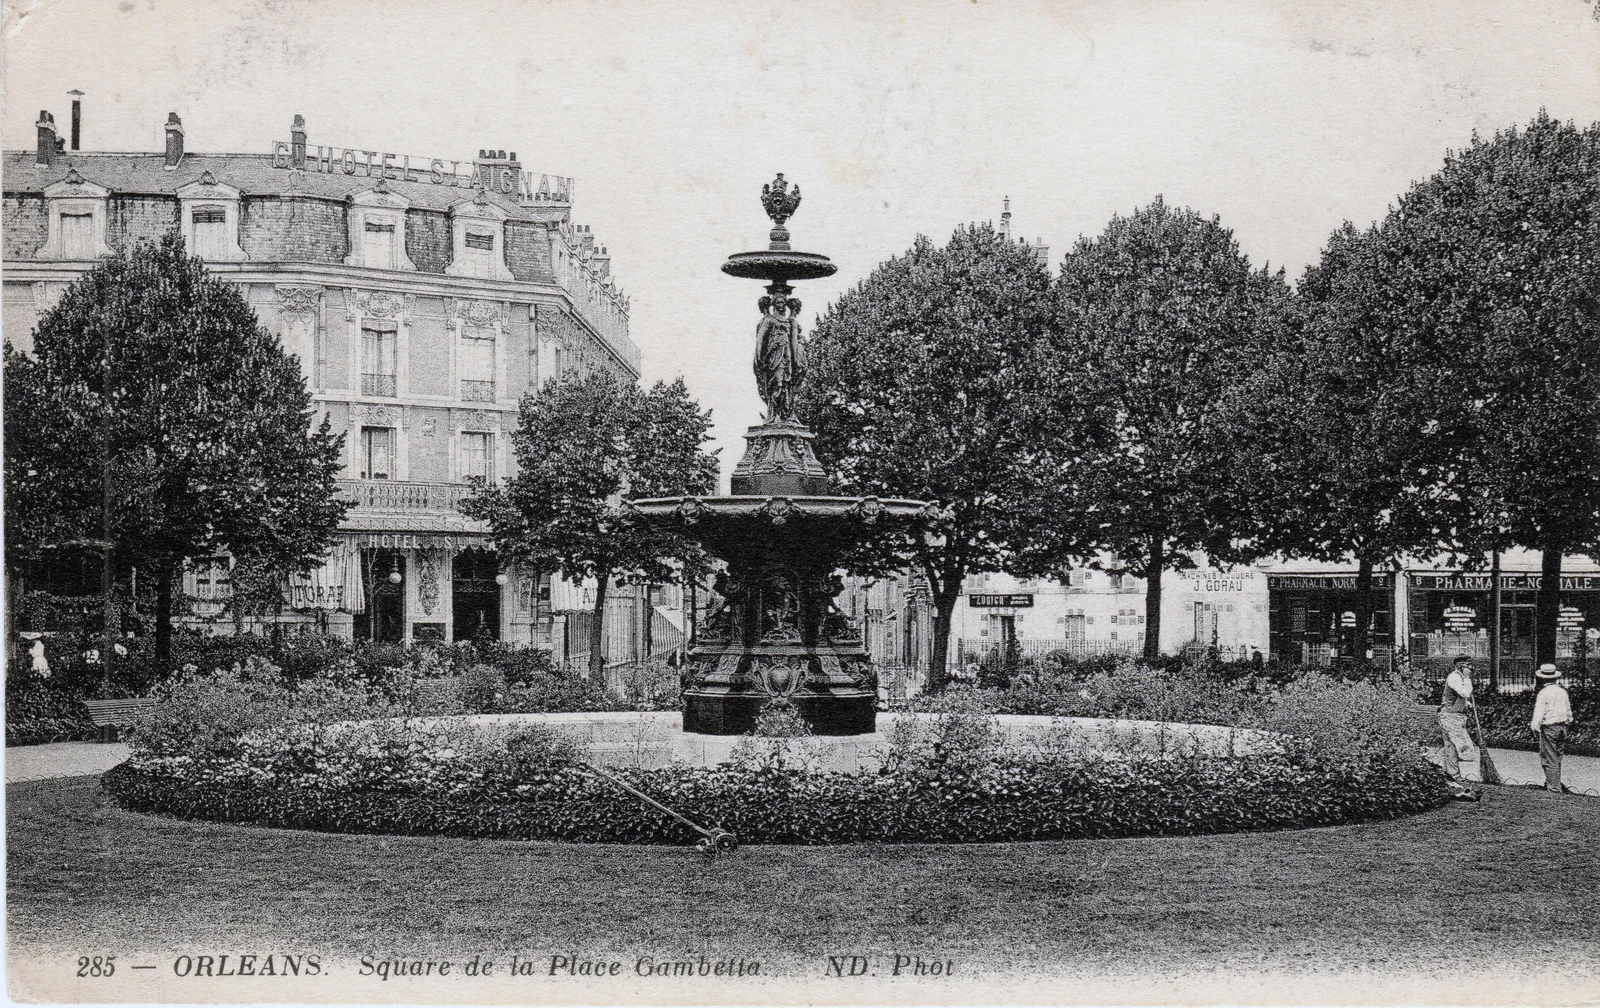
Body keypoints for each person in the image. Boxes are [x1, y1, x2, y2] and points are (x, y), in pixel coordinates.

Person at [1529, 663, 1571, 793]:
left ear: (1542, 678)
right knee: (1557, 756)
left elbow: (1539, 713)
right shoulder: (1562, 691)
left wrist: (1534, 727)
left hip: (1549, 727)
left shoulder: (1544, 693)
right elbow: (1568, 711)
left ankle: (1554, 788)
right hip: (1562, 727)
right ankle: (1552, 781)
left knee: (1549, 757)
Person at [1438, 655, 1481, 783]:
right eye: (1468, 666)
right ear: (1460, 666)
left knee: (1451, 745)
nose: (1471, 669)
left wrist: (1466, 704)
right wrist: (1467, 679)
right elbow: (1465, 693)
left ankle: (1449, 773)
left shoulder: (1458, 677)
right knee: (1457, 745)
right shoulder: (1455, 677)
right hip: (1450, 716)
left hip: (1454, 716)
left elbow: (1458, 697)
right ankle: (1453, 774)